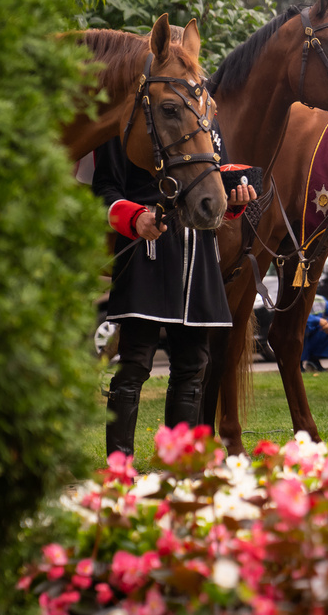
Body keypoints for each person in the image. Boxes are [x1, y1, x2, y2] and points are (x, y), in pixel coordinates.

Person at [93, 137, 254, 456]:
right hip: (146, 249)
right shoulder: (126, 120)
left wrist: (233, 200)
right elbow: (104, 192)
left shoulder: (207, 112)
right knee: (135, 362)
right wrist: (134, 216)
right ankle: (118, 467)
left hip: (199, 251)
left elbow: (213, 183)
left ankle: (179, 467)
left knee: (193, 363)